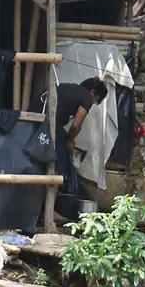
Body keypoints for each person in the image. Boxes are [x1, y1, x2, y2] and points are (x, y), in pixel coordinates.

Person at [54, 77, 107, 221]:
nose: (93, 103)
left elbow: (57, 124)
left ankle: (45, 210)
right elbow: (76, 125)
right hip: (45, 125)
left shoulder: (67, 87)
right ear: (92, 92)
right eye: (96, 100)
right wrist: (70, 140)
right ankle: (50, 212)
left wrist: (67, 137)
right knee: (57, 168)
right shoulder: (86, 97)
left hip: (40, 121)